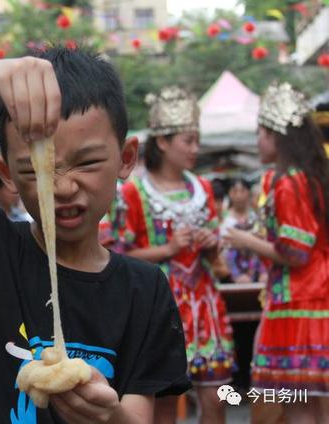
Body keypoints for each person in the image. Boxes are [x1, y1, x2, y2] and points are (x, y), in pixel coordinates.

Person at [0, 46, 191, 423]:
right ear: (6, 173)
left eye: (88, 162)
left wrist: (109, 416)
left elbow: (140, 416)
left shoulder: (145, 289)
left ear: (126, 158)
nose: (62, 188)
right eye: (35, 171)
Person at [117, 87, 234, 424]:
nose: (196, 149)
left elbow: (218, 264)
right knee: (164, 404)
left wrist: (211, 245)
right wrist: (168, 249)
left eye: (197, 141)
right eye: (188, 140)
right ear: (163, 142)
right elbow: (119, 257)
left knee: (216, 398)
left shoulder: (204, 189)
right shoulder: (133, 192)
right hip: (159, 307)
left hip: (204, 308)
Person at [224, 82, 329, 423]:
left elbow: (296, 252)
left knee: (298, 407)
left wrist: (244, 240)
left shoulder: (288, 183)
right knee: (314, 406)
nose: (257, 141)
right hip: (313, 301)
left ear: (276, 136)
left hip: (298, 305)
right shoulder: (311, 178)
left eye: (261, 133)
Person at [221, 178, 267, 284]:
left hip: (256, 266)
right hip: (233, 266)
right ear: (229, 194)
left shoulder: (256, 216)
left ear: (248, 193)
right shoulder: (224, 219)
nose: (239, 196)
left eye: (242, 191)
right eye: (235, 191)